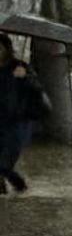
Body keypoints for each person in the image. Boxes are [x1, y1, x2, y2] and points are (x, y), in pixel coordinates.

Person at [0, 35, 47, 195]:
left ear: (7, 49)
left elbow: (38, 88)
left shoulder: (20, 66)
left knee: (4, 166)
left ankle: (22, 190)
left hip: (18, 123)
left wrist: (25, 77)